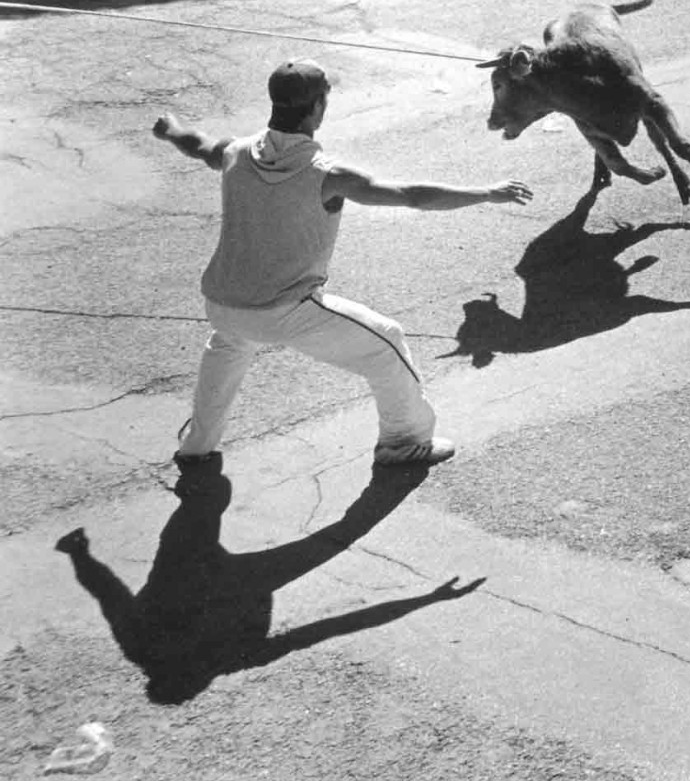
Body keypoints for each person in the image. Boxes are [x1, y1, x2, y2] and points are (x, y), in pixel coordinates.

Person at [151, 61, 531, 481]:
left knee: (229, 345)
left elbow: (197, 144)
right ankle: (403, 443)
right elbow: (412, 196)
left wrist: (169, 128)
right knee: (387, 343)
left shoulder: (235, 153)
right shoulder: (326, 174)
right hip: (283, 312)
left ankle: (196, 447)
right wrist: (487, 193)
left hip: (222, 303)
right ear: (317, 107)